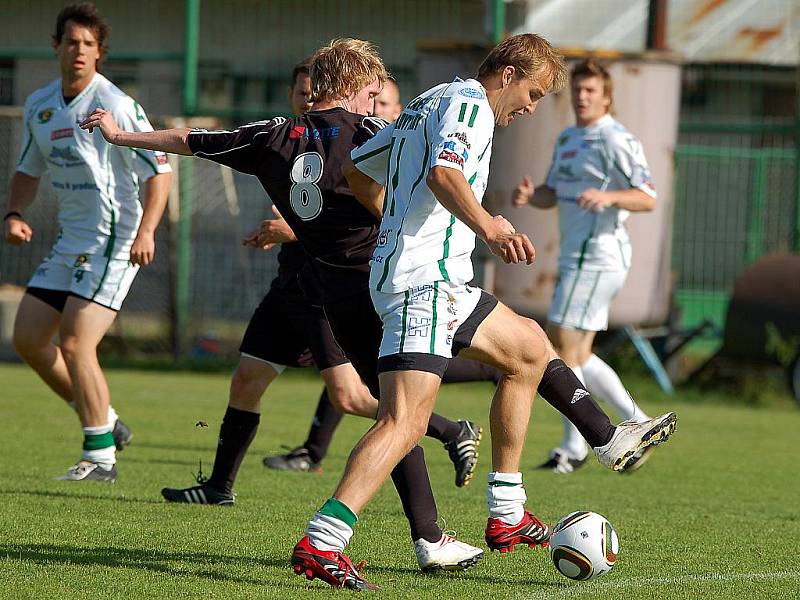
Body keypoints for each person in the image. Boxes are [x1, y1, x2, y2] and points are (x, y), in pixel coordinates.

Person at [81, 38, 485, 574]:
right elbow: (425, 179)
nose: (374, 105)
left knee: (394, 411)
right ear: (355, 88)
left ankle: (432, 525)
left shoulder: (271, 135)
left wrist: (120, 135)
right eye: (371, 94)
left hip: (331, 291)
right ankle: (425, 528)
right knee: (400, 412)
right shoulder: (370, 135)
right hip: (373, 284)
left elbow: (189, 139)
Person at [291, 33, 677, 591]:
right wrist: (489, 225)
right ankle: (321, 543)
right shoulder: (471, 106)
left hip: (438, 277)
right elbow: (444, 175)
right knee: (404, 423)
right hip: (424, 282)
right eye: (535, 92)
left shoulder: (431, 100)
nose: (532, 108)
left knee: (527, 348)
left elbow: (358, 168)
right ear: (509, 72)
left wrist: (399, 224)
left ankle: (510, 510)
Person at [264, 74, 499, 475]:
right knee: (356, 382)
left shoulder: (395, 140)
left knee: (371, 396)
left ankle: (454, 426)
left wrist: (296, 227)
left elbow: (402, 203)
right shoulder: (338, 142)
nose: (377, 111)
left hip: (373, 277)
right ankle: (260, 471)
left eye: (386, 104)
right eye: (374, 102)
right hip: (308, 282)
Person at [4, 2, 172, 482]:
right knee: (30, 340)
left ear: (100, 53)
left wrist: (146, 231)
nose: (79, 51)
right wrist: (14, 213)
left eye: (89, 44)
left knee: (77, 343)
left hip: (116, 241)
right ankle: (109, 421)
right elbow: (26, 169)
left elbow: (160, 171)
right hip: (70, 243)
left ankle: (100, 456)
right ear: (56, 46)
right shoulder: (39, 105)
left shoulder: (115, 103)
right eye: (71, 42)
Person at [512, 59, 657, 474]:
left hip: (600, 255)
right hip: (577, 255)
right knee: (578, 351)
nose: (582, 96)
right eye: (578, 89)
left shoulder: (615, 139)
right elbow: (552, 194)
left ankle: (572, 450)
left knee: (562, 348)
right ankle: (638, 420)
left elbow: (647, 196)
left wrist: (610, 198)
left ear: (606, 96)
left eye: (591, 90)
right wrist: (531, 195)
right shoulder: (568, 138)